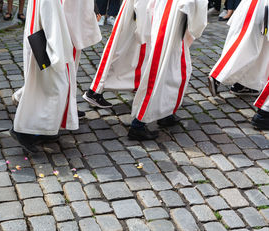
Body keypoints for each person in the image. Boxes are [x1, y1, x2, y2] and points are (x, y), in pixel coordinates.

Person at [129, 0, 208, 140]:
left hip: (165, 18)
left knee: (171, 72)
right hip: (171, 24)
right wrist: (195, 29)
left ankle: (166, 113)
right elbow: (198, 10)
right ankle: (138, 124)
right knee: (161, 74)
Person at [10, 0, 82, 153]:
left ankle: (46, 130)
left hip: (39, 36)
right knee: (56, 87)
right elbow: (51, 21)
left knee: (45, 87)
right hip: (47, 44)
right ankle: (24, 132)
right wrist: (57, 54)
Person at [83, 0, 151, 109]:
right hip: (137, 18)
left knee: (125, 54)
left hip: (137, 17)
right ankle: (95, 91)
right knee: (118, 53)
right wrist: (144, 32)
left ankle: (96, 90)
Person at [208, 0, 269, 97]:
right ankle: (218, 75)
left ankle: (245, 84)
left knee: (261, 47)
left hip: (255, 6)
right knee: (248, 44)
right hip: (259, 5)